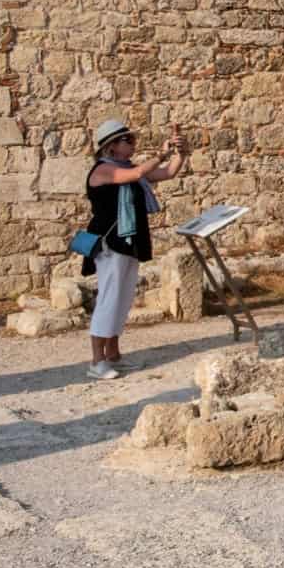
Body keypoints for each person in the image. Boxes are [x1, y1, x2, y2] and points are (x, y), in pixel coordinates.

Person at [83, 117, 187, 380]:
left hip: (128, 241)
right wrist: (161, 154)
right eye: (126, 140)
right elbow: (138, 174)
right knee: (109, 298)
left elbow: (167, 173)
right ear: (111, 146)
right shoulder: (103, 171)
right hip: (111, 243)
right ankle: (96, 361)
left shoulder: (126, 167)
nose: (132, 143)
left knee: (123, 297)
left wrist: (180, 153)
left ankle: (113, 355)